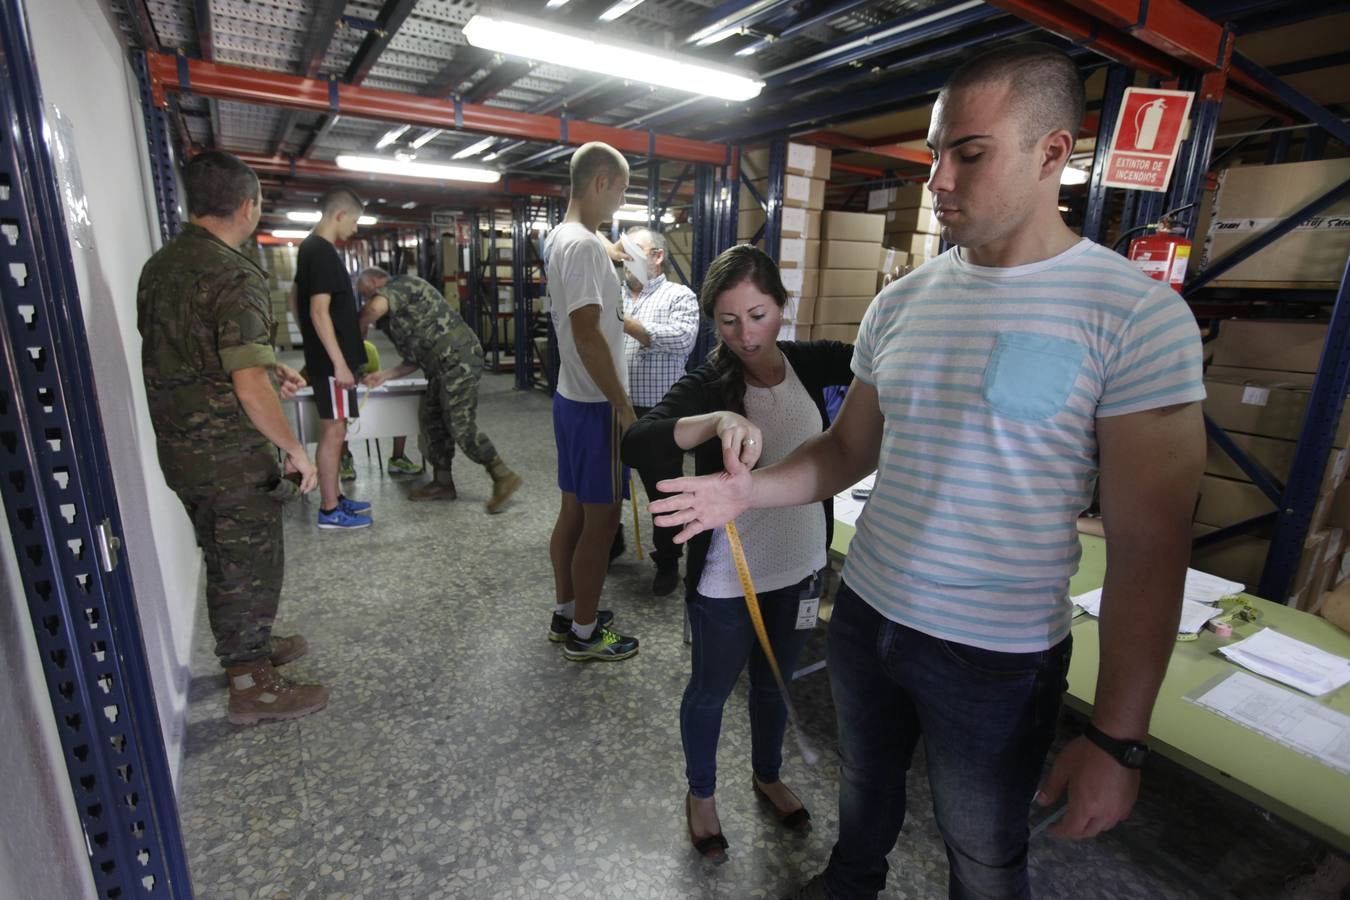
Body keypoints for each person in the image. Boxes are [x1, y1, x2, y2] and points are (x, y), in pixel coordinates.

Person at [650, 43, 1206, 900]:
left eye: (969, 154)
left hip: (995, 655)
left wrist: (1118, 738)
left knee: (982, 849)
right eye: (935, 152)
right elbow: (844, 451)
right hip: (867, 618)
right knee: (863, 798)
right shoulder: (902, 302)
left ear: (1053, 153)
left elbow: (1150, 547)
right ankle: (850, 877)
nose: (938, 178)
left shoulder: (1134, 315)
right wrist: (748, 489)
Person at [622, 245, 852, 863]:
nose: (746, 335)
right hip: (731, 575)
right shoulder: (710, 381)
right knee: (711, 689)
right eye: (727, 321)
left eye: (758, 314)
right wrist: (716, 418)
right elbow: (637, 442)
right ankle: (701, 793)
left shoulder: (810, 362)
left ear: (782, 305)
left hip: (801, 563)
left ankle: (767, 773)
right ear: (710, 322)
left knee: (774, 684)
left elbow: (879, 365)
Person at [136, 150, 330, 725]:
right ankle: (252, 685)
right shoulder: (234, 272)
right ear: (248, 206)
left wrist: (271, 367)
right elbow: (245, 387)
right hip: (227, 454)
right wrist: (296, 450)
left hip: (181, 447)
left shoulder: (162, 266)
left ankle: (250, 648)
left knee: (226, 556)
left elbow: (196, 352)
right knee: (247, 561)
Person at [543, 141, 640, 661]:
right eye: (621, 191)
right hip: (595, 406)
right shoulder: (582, 246)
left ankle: (567, 612)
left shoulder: (565, 237)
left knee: (574, 515)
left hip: (570, 398)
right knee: (600, 525)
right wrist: (623, 408)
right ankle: (585, 634)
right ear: (601, 183)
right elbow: (587, 335)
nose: (619, 204)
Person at [356, 267, 522, 513]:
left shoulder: (400, 285)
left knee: (459, 424)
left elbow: (370, 310)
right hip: (438, 367)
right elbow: (412, 361)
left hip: (458, 358)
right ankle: (443, 483)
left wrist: (359, 328)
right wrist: (383, 375)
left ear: (374, 281)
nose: (366, 299)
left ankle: (502, 475)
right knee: (432, 421)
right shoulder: (395, 320)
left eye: (366, 293)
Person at [619, 226, 700, 596]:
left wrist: (627, 323)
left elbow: (682, 339)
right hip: (615, 408)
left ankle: (667, 561)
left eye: (634, 251)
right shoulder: (615, 293)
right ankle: (610, 541)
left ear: (656, 256)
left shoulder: (678, 296)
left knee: (663, 494)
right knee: (607, 485)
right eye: (622, 251)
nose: (626, 258)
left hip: (659, 412)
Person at [295, 186, 373, 530]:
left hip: (326, 358)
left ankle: (336, 497)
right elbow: (317, 310)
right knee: (334, 432)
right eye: (354, 221)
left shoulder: (310, 249)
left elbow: (296, 300)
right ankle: (329, 509)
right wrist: (339, 363)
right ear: (339, 214)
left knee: (336, 430)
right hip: (332, 364)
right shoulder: (322, 251)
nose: (354, 229)